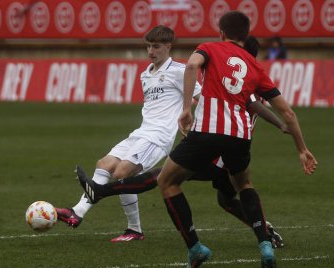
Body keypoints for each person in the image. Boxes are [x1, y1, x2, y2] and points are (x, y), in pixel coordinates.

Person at [76, 35, 286, 249]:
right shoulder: (251, 82)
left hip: (220, 149)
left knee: (164, 175)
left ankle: (101, 191)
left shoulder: (239, 83)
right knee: (227, 200)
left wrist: (281, 124)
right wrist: (282, 123)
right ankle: (265, 232)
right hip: (232, 149)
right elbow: (254, 106)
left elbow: (242, 107)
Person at [154, 11, 316, 268]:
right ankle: (264, 244)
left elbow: (193, 65)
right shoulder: (255, 66)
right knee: (244, 185)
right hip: (240, 136)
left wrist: (186, 108)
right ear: (246, 35)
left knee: (166, 181)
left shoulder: (209, 48)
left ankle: (195, 248)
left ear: (221, 32)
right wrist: (302, 149)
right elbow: (288, 112)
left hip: (207, 131)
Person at [55, 25, 202, 242]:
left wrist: (185, 113)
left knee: (122, 173)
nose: (151, 51)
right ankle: (77, 212)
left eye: (156, 46)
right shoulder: (146, 74)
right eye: (148, 46)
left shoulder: (179, 71)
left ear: (168, 47)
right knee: (104, 164)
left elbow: (201, 95)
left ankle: (133, 229)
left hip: (158, 137)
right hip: (142, 132)